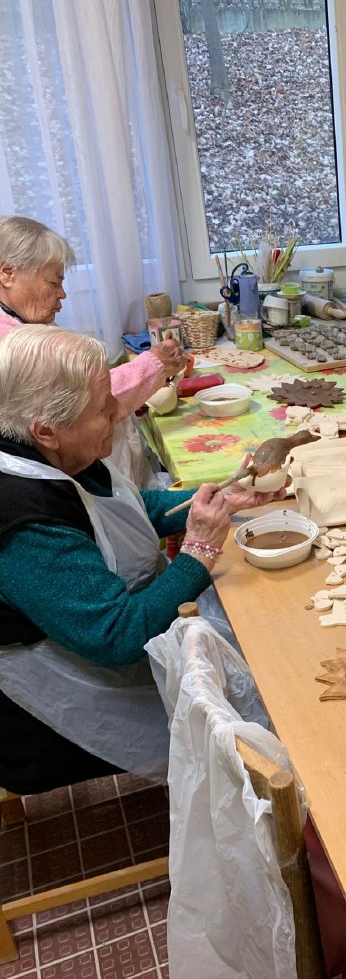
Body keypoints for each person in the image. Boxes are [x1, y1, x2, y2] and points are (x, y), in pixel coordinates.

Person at [0, 325, 285, 794]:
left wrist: (218, 498)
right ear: (46, 429)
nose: (119, 410)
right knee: (261, 702)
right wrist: (198, 551)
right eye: (103, 407)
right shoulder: (22, 521)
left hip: (106, 630)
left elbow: (126, 509)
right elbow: (119, 634)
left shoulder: (54, 451)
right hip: (61, 693)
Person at [0, 215, 187, 482]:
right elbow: (81, 404)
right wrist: (152, 366)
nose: (62, 294)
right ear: (7, 273)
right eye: (53, 282)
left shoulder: (23, 322)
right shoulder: (9, 342)